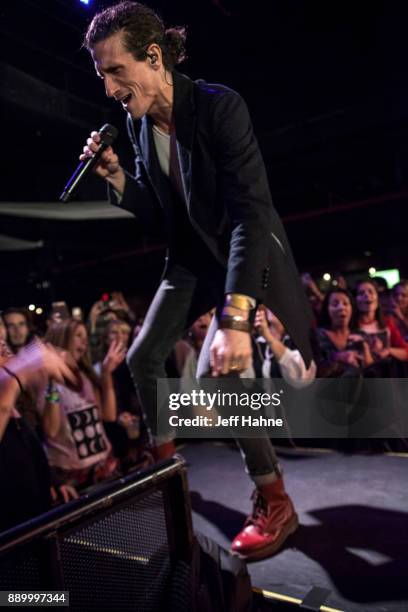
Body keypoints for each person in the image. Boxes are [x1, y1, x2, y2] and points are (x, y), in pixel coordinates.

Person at [80, 1, 313, 560]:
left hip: (243, 254)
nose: (109, 88)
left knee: (221, 369)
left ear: (153, 56)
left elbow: (250, 216)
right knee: (142, 357)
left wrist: (234, 317)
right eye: (101, 75)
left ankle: (273, 496)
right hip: (191, 260)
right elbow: (160, 215)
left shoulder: (217, 106)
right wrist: (116, 177)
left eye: (115, 71)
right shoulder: (138, 127)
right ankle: (167, 485)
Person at [0, 341, 78, 532]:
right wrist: (14, 378)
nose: (3, 341)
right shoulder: (8, 393)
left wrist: (52, 480)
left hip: (36, 521)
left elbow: (25, 450)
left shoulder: (15, 403)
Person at [41, 319, 126, 489]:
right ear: (61, 339)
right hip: (73, 476)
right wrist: (52, 383)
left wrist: (106, 373)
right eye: (78, 335)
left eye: (85, 336)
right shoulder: (45, 381)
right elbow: (50, 430)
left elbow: (108, 415)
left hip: (104, 466)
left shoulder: (85, 375)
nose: (84, 341)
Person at [316, 288, 374, 377]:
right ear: (327, 309)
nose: (341, 307)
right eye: (335, 304)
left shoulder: (360, 336)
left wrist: (365, 347)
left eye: (345, 304)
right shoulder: (319, 336)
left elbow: (371, 371)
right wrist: (337, 357)